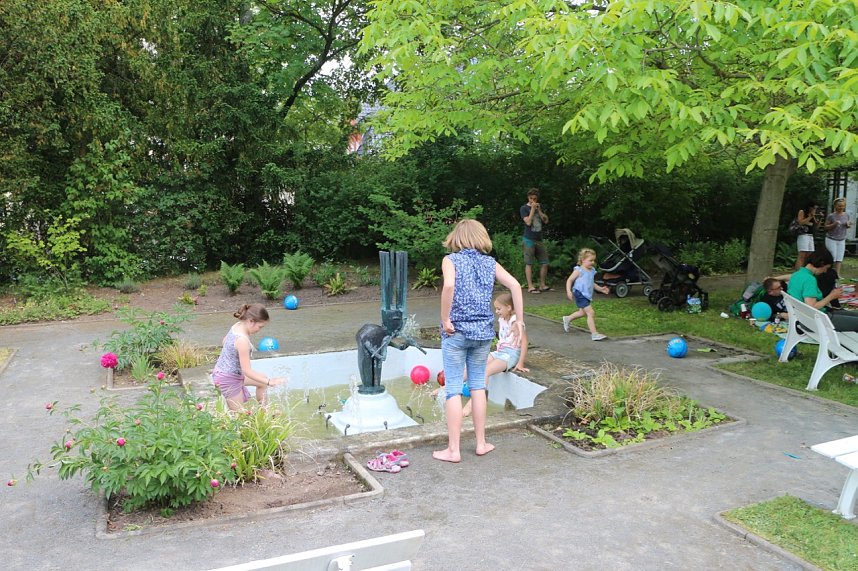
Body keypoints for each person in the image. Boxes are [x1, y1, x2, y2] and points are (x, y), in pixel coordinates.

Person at [434, 219, 525, 463]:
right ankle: (481, 443)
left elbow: (449, 285)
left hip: (456, 333)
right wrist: (520, 320)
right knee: (477, 386)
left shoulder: (450, 260)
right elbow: (515, 285)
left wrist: (445, 318)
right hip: (483, 334)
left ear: (457, 238)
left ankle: (453, 450)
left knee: (453, 388)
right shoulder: (489, 262)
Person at [461, 291, 529, 417]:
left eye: (499, 308)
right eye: (496, 308)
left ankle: (472, 404)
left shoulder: (515, 321)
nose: (496, 311)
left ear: (509, 307)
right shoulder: (502, 318)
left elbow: (524, 342)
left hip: (510, 355)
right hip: (500, 352)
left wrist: (520, 362)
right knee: (475, 364)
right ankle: (448, 388)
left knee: (485, 372)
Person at [211, 303, 286, 410]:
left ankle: (264, 414)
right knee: (240, 418)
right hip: (228, 379)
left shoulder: (237, 326)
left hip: (224, 372)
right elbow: (247, 371)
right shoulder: (242, 341)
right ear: (250, 321)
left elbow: (224, 341)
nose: (259, 330)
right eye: (260, 327)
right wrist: (270, 382)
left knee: (262, 381)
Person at [787, 249, 858, 331]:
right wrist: (831, 296)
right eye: (826, 268)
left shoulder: (796, 274)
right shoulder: (809, 279)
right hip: (815, 321)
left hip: (805, 318)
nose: (825, 271)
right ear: (821, 263)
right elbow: (811, 307)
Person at [563, 248, 611, 341]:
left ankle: (568, 318)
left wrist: (601, 289)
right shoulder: (579, 270)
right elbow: (570, 280)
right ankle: (594, 334)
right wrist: (568, 291)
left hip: (586, 294)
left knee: (582, 312)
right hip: (580, 293)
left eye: (594, 260)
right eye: (590, 260)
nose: (592, 262)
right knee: (590, 312)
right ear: (583, 260)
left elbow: (592, 283)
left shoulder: (592, 270)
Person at [520, 188, 551, 293]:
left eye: (534, 198)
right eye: (531, 198)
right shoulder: (524, 208)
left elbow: (546, 220)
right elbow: (528, 222)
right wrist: (532, 209)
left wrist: (539, 210)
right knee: (529, 263)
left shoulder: (539, 207)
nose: (532, 200)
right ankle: (530, 286)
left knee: (545, 262)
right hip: (528, 239)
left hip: (539, 239)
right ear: (528, 197)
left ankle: (542, 285)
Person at [825, 197, 852, 277]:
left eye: (843, 206)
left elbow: (847, 225)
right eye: (839, 206)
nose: (841, 208)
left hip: (841, 239)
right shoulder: (831, 216)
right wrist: (834, 224)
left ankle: (837, 274)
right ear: (835, 206)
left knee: (839, 257)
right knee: (833, 256)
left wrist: (848, 224)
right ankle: (829, 273)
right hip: (831, 238)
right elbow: (825, 227)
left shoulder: (846, 215)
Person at [794, 201, 820, 270]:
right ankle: (798, 272)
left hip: (810, 236)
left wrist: (819, 218)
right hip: (803, 235)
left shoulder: (813, 215)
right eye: (814, 208)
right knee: (802, 254)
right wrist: (810, 217)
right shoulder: (802, 212)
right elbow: (800, 222)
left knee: (810, 255)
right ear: (810, 207)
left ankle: (806, 270)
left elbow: (816, 227)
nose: (815, 210)